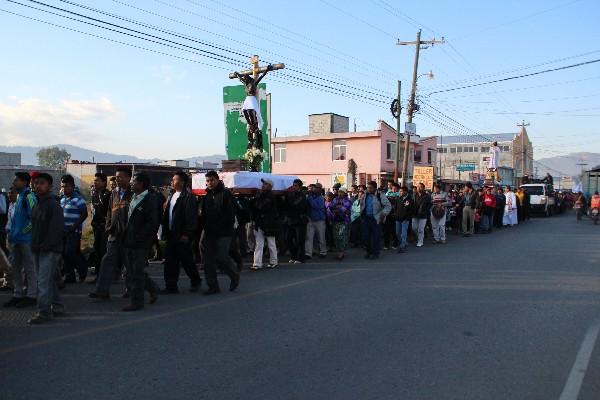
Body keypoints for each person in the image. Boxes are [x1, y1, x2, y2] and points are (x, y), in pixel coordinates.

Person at [89, 167, 133, 300]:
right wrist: (108, 225)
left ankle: (135, 289)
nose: (118, 179)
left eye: (121, 177)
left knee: (130, 265)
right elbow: (109, 211)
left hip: (127, 235)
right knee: (106, 261)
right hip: (113, 234)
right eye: (117, 177)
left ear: (128, 178)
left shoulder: (133, 193)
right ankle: (102, 290)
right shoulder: (114, 193)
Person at [28, 173, 65, 324]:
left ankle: (44, 312)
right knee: (47, 280)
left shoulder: (53, 205)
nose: (38, 186)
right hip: (37, 248)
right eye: (36, 183)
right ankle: (57, 306)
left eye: (42, 183)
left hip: (48, 250)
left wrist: (46, 246)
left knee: (42, 282)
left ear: (50, 186)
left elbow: (56, 230)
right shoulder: (38, 203)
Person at [121, 172, 161, 311]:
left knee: (136, 273)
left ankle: (137, 301)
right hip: (129, 240)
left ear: (142, 184)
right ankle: (153, 288)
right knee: (132, 271)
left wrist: (141, 239)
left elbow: (151, 224)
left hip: (140, 243)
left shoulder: (150, 200)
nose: (131, 183)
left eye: (134, 182)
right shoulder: (133, 197)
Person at [199, 170, 240, 295]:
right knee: (208, 261)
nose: (210, 183)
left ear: (218, 180)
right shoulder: (206, 197)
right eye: (208, 181)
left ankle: (234, 276)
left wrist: (221, 226)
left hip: (224, 232)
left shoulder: (226, 194)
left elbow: (231, 214)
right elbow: (203, 215)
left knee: (222, 257)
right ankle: (213, 286)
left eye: (212, 180)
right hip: (210, 232)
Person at [161, 171, 202, 294]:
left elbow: (191, 218)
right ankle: (171, 286)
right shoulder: (171, 195)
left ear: (182, 182)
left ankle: (196, 280)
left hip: (181, 234)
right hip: (171, 233)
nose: (172, 182)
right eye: (172, 180)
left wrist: (187, 234)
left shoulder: (188, 197)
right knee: (170, 262)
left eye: (175, 180)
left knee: (187, 261)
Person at [3, 172, 37, 308]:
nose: (14, 182)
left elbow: (33, 218)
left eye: (16, 180)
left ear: (24, 182)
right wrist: (13, 234)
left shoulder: (29, 197)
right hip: (16, 239)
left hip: (26, 240)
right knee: (15, 268)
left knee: (29, 268)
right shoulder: (19, 197)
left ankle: (32, 295)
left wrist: (23, 232)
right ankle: (18, 294)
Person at [60, 174, 89, 283]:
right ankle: (70, 276)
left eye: (66, 186)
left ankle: (83, 269)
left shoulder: (78, 199)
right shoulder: (62, 199)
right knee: (64, 253)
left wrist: (75, 225)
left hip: (74, 231)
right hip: (63, 231)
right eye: (62, 186)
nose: (64, 189)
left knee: (70, 253)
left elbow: (85, 214)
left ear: (72, 186)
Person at [251, 178, 279, 270]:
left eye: (266, 184)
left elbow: (261, 206)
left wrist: (257, 198)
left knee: (271, 243)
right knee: (259, 244)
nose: (263, 185)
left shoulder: (270, 196)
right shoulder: (262, 195)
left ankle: (273, 261)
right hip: (260, 223)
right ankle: (257, 263)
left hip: (269, 223)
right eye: (263, 183)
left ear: (270, 186)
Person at [359, 181, 391, 259]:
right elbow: (361, 205)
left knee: (376, 237)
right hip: (366, 218)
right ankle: (369, 251)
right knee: (365, 237)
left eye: (370, 188)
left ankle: (375, 253)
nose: (368, 189)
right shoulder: (365, 195)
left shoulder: (380, 195)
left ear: (375, 188)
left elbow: (388, 206)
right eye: (368, 187)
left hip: (376, 219)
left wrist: (383, 214)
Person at [89, 173, 110, 283]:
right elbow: (94, 211)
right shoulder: (95, 195)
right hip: (96, 227)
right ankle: (98, 275)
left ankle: (105, 276)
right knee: (97, 250)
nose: (95, 182)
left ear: (104, 182)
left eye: (97, 180)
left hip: (105, 228)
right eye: (94, 180)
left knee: (103, 252)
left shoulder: (108, 195)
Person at [286, 178, 308, 264]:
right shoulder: (292, 194)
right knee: (288, 239)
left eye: (295, 186)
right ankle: (293, 256)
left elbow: (294, 205)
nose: (293, 187)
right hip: (291, 220)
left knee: (299, 240)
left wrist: (288, 196)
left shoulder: (301, 195)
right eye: (293, 185)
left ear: (299, 187)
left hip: (300, 220)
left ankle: (300, 258)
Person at [328, 188, 352, 260]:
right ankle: (341, 251)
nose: (340, 193)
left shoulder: (348, 200)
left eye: (342, 192)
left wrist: (338, 208)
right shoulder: (335, 199)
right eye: (339, 192)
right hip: (335, 221)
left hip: (344, 221)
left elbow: (345, 209)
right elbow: (330, 207)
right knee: (336, 237)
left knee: (342, 237)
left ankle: (340, 253)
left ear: (345, 193)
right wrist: (339, 207)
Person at [0, 187, 17, 291]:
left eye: (12, 193)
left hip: (9, 234)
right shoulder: (11, 205)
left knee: (6, 258)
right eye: (10, 193)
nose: (10, 195)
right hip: (8, 233)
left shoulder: (2, 197)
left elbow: (2, 210)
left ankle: (10, 281)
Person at [305, 184, 327, 259]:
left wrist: (310, 198)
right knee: (309, 238)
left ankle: (323, 252)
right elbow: (306, 206)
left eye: (316, 188)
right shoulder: (310, 197)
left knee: (321, 237)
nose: (314, 189)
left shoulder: (321, 198)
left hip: (320, 220)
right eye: (314, 188)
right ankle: (308, 253)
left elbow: (315, 206)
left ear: (320, 189)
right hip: (311, 220)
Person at [394, 186, 413, 253]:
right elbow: (395, 208)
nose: (400, 192)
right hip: (398, 218)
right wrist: (395, 214)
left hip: (405, 219)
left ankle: (402, 246)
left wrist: (407, 217)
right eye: (400, 191)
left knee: (403, 233)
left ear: (405, 192)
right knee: (397, 233)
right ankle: (404, 243)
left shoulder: (409, 200)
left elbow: (410, 210)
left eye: (401, 191)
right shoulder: (398, 198)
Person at [412, 183, 432, 247]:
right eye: (418, 187)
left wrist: (425, 212)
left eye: (420, 187)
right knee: (414, 228)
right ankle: (420, 237)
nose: (418, 188)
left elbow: (429, 205)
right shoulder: (414, 195)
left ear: (423, 188)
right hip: (414, 214)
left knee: (421, 229)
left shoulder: (427, 196)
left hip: (423, 215)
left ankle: (420, 241)